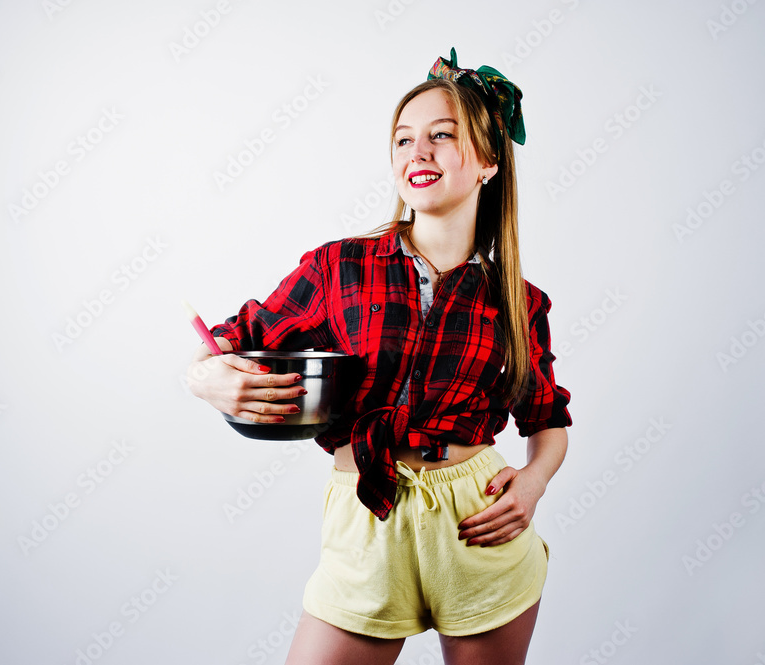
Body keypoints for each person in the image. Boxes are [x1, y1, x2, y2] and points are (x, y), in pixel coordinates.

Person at [187, 48, 572, 665]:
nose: (417, 152)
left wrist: (532, 484)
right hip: (366, 515)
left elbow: (547, 419)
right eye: (403, 139)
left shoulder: (520, 301)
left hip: (479, 523)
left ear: (488, 163)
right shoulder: (338, 267)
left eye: (441, 136)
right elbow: (231, 339)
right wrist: (206, 380)